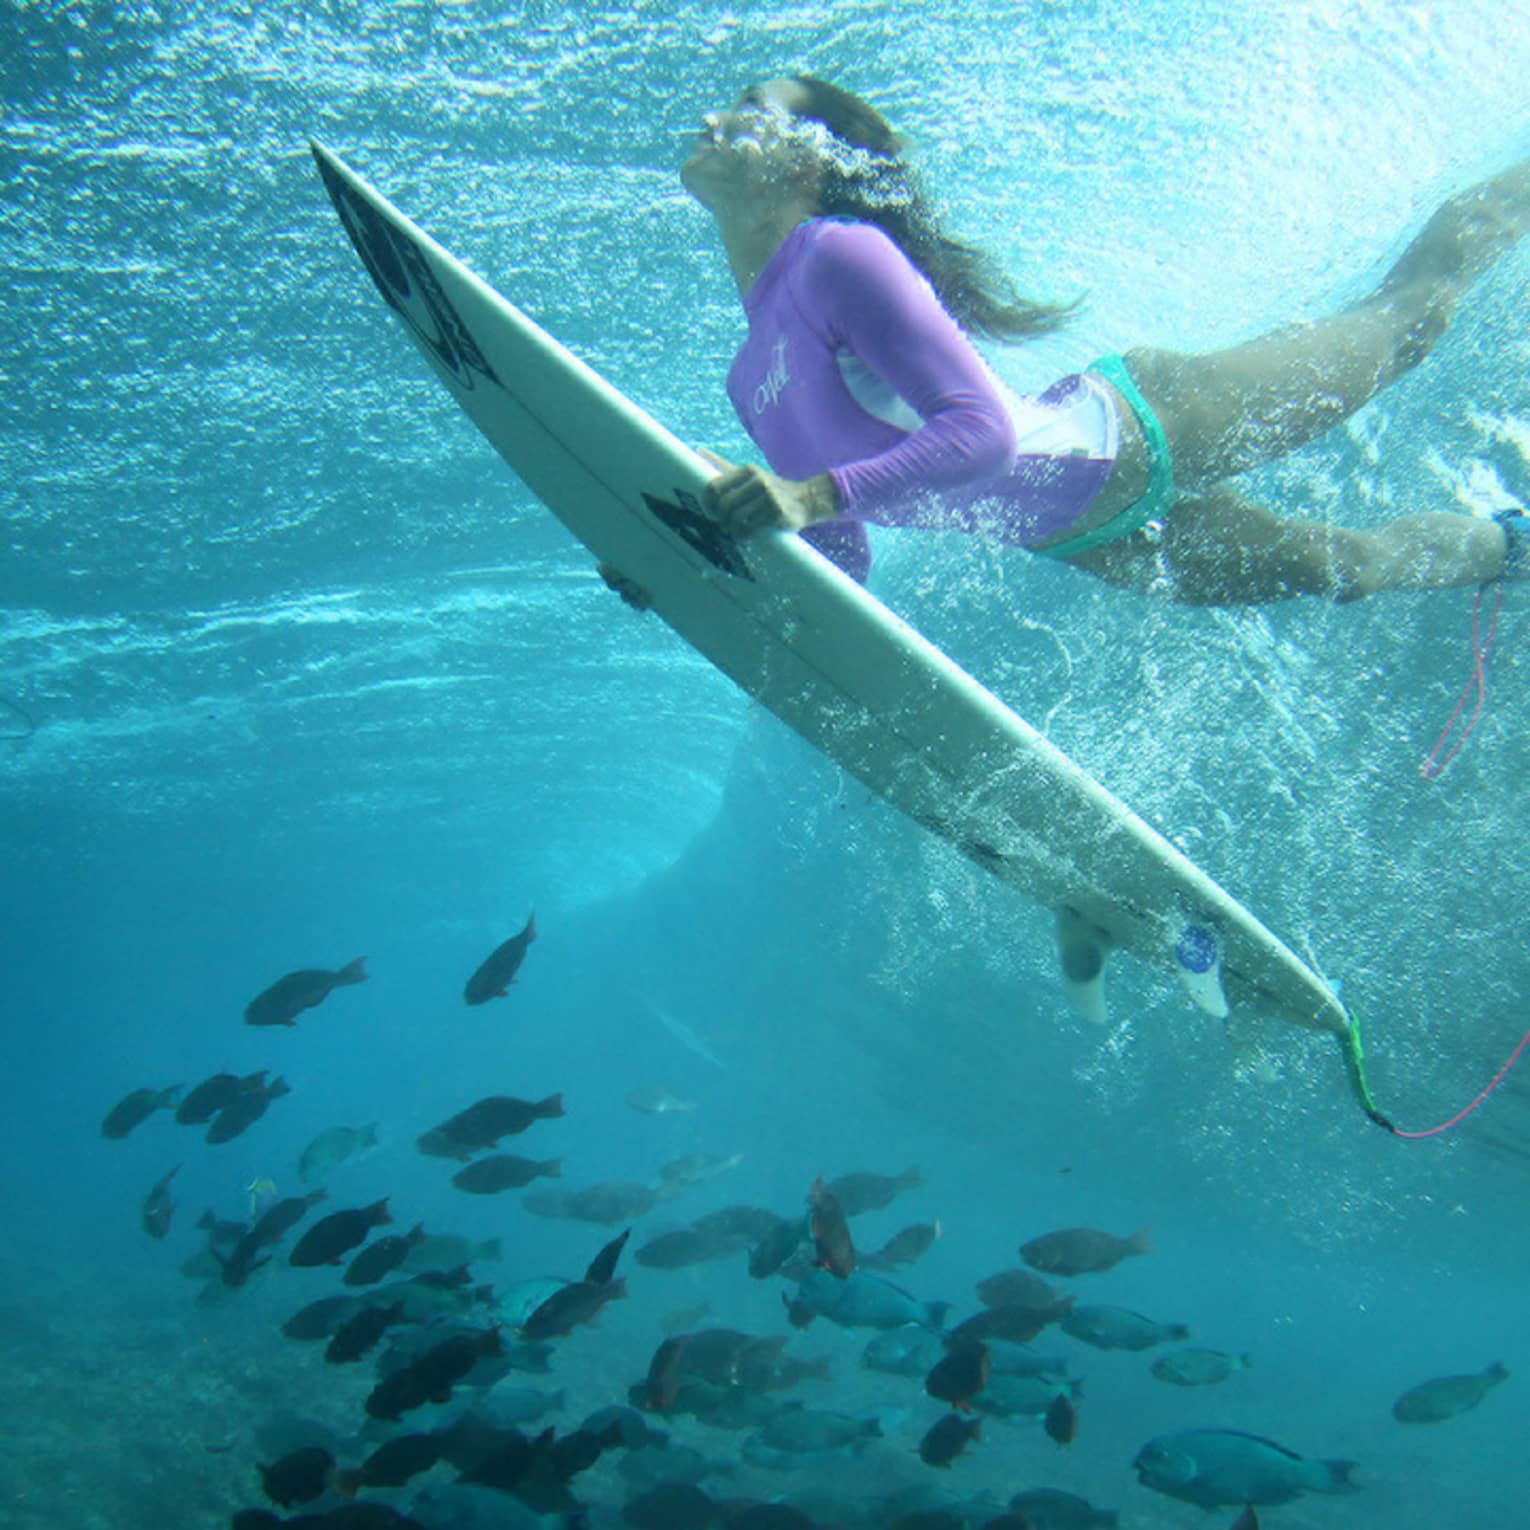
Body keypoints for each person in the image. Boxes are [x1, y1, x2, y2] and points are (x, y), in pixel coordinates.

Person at [613, 74, 1530, 606]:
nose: (713, 121)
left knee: (1409, 320)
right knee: (1348, 569)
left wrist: (806, 494)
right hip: (1093, 540)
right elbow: (839, 548)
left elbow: (982, 435)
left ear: (810, 161)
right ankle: (1511, 547)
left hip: (1153, 426)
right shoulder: (749, 376)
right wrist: (703, 565)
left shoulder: (838, 256)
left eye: (748, 111)